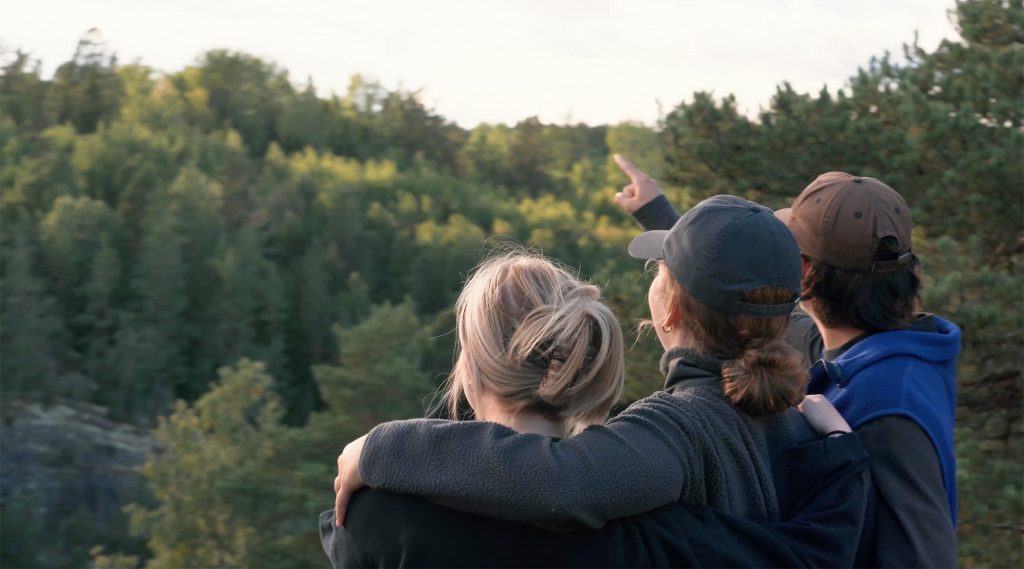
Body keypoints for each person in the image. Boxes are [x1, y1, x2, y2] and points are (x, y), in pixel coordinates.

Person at [322, 251, 868, 568]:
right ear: (585, 364)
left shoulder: (378, 520)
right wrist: (843, 456)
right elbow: (811, 555)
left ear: (469, 368)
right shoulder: (656, 527)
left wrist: (382, 444)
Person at [614, 157, 959, 567]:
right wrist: (661, 220)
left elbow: (922, 555)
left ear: (801, 271)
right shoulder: (869, 350)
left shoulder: (889, 409)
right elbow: (727, 303)